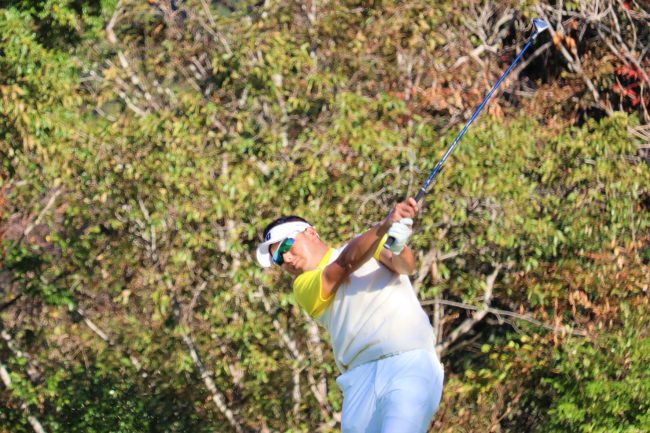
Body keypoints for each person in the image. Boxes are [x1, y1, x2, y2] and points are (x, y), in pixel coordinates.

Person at [256, 198, 444, 433]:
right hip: (358, 381)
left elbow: (405, 266)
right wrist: (384, 226)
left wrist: (398, 246)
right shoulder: (303, 286)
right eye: (277, 258)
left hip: (408, 362)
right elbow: (345, 264)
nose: (286, 259)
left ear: (311, 233)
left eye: (286, 246)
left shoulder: (368, 243)